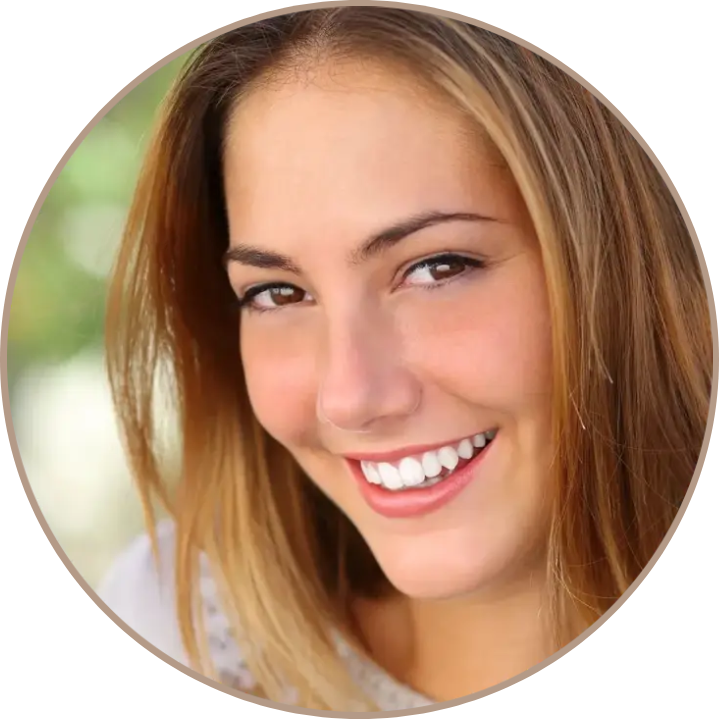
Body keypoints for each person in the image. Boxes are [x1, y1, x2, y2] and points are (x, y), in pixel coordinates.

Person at [97, 6, 713, 711]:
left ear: (626, 269)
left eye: (437, 267)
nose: (349, 396)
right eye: (278, 291)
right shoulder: (171, 627)